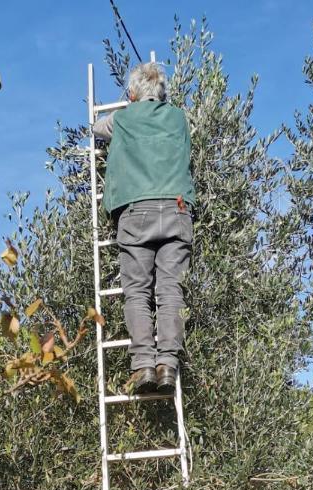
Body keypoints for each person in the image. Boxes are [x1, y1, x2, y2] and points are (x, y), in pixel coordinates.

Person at [93, 62, 195, 394]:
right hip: (177, 210)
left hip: (136, 211)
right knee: (170, 291)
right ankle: (168, 364)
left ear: (133, 93)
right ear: (162, 92)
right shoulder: (178, 117)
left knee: (137, 292)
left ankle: (143, 367)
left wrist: (129, 106)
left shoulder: (122, 119)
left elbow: (96, 127)